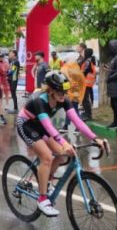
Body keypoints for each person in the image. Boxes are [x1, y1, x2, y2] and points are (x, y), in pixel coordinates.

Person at [15, 72, 108, 217]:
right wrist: (64, 143)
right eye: (60, 92)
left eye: (65, 91)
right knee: (46, 157)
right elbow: (49, 127)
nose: (63, 95)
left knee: (62, 154)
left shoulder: (64, 99)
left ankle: (46, 182)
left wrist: (95, 139)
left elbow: (77, 121)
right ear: (50, 90)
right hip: (26, 124)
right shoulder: (40, 101)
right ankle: (42, 199)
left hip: (40, 125)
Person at [60, 55, 86, 131]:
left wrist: (64, 92)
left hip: (71, 94)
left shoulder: (66, 70)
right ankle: (66, 126)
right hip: (76, 94)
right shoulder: (77, 70)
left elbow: (65, 82)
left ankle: (78, 126)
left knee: (73, 110)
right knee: (70, 110)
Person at [80, 48, 96, 120]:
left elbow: (84, 71)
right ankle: (87, 113)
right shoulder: (91, 60)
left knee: (85, 99)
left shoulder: (87, 61)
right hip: (88, 82)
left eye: (85, 52)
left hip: (85, 82)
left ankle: (88, 114)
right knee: (86, 98)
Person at [7, 49, 20, 114]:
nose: (9, 54)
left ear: (14, 54)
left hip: (14, 79)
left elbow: (12, 71)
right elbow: (9, 70)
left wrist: (5, 73)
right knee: (12, 93)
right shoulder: (12, 61)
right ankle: (15, 108)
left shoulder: (16, 61)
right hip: (11, 79)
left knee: (13, 93)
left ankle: (16, 108)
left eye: (11, 53)